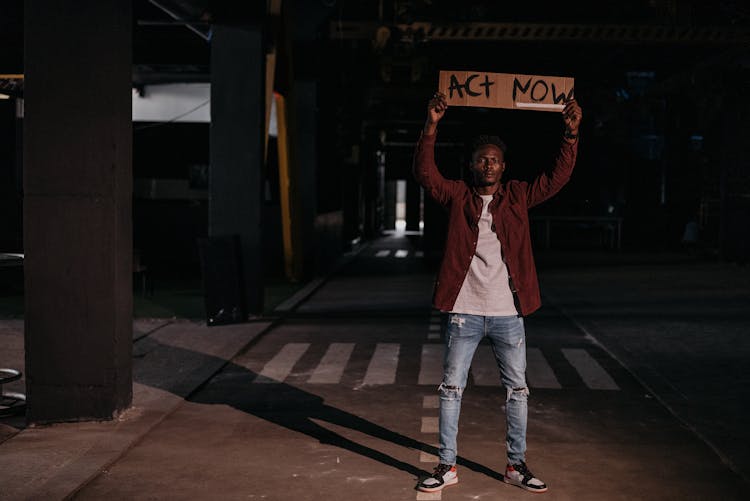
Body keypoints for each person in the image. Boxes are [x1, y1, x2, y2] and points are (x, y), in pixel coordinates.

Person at [413, 92, 582, 494]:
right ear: (472, 165)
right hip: (464, 312)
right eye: (481, 158)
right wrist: (431, 126)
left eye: (494, 159)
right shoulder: (457, 196)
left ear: (504, 167)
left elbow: (557, 177)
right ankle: (447, 465)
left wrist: (571, 136)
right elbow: (426, 174)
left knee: (518, 390)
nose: (488, 163)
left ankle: (515, 464)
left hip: (509, 313)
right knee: (452, 389)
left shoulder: (519, 195)